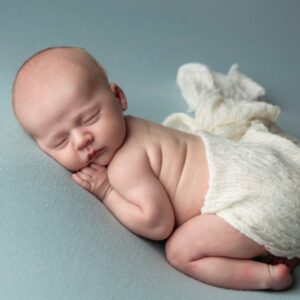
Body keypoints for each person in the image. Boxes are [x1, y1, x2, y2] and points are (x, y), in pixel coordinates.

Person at [12, 46, 300, 290]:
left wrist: (107, 190)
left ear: (118, 97)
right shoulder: (141, 127)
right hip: (266, 168)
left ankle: (268, 276)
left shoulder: (125, 165)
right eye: (60, 141)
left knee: (180, 252)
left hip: (261, 202)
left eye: (89, 118)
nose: (81, 140)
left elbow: (158, 224)